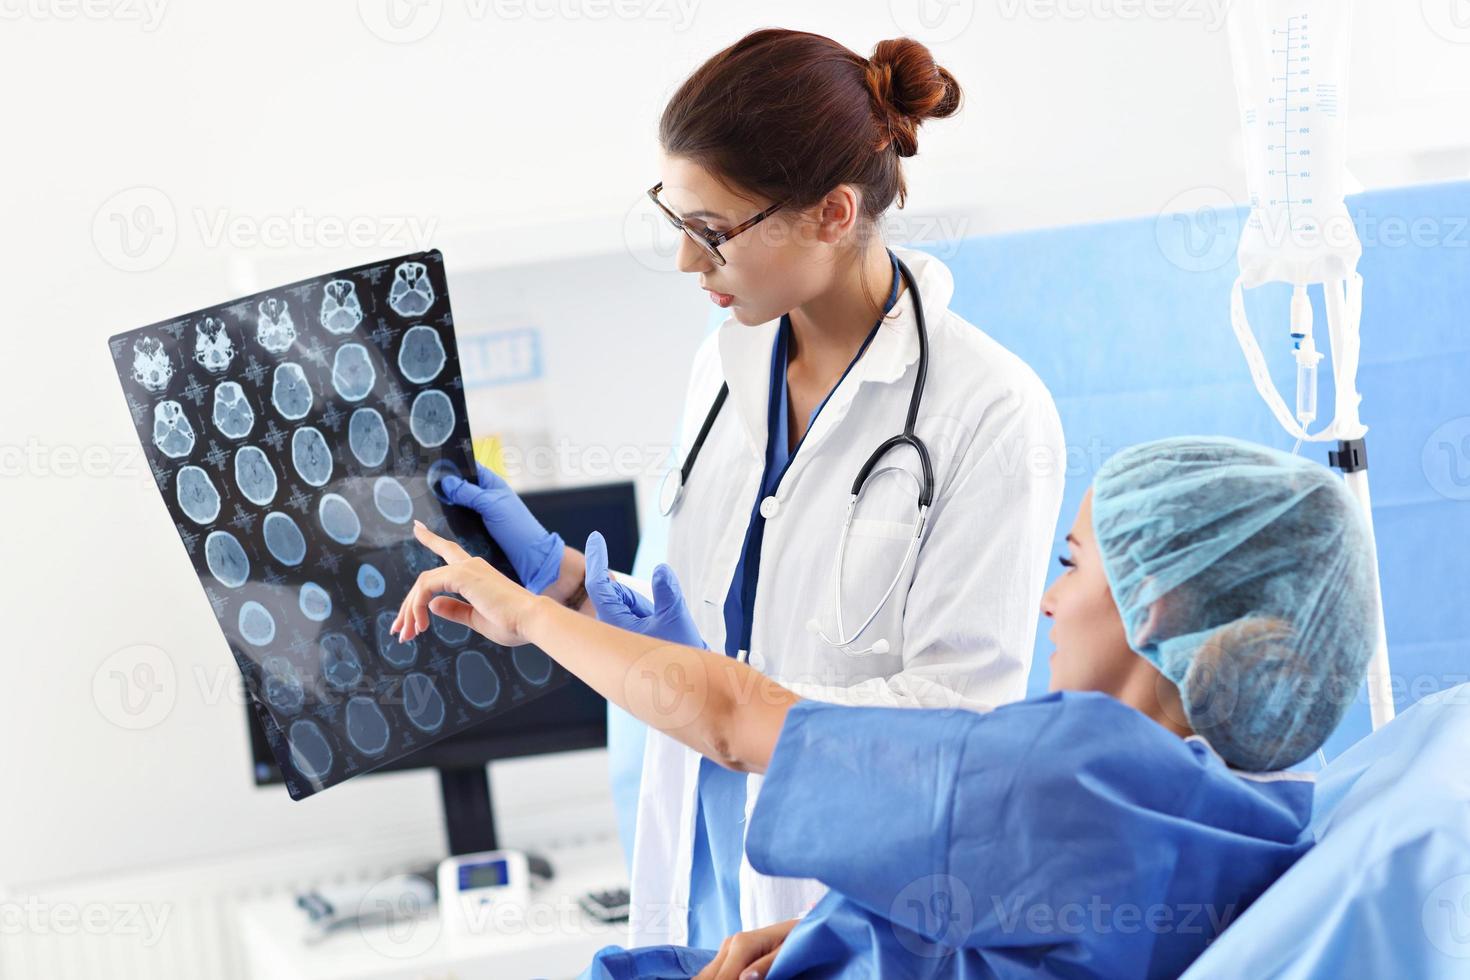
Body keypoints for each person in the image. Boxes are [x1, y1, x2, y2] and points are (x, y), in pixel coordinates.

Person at [434, 28, 1065, 948]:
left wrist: (724, 698)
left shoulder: (989, 411)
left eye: (712, 234)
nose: (689, 264)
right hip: (696, 884)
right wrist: (565, 584)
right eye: (675, 221)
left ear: (833, 214)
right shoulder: (723, 366)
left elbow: (956, 728)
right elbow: (693, 632)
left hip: (853, 912)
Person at [392, 435, 1381, 978]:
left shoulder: (1063, 770)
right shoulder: (1223, 808)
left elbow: (738, 719)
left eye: (1070, 563)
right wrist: (853, 931)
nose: (1044, 598)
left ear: (1155, 599)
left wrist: (533, 612)